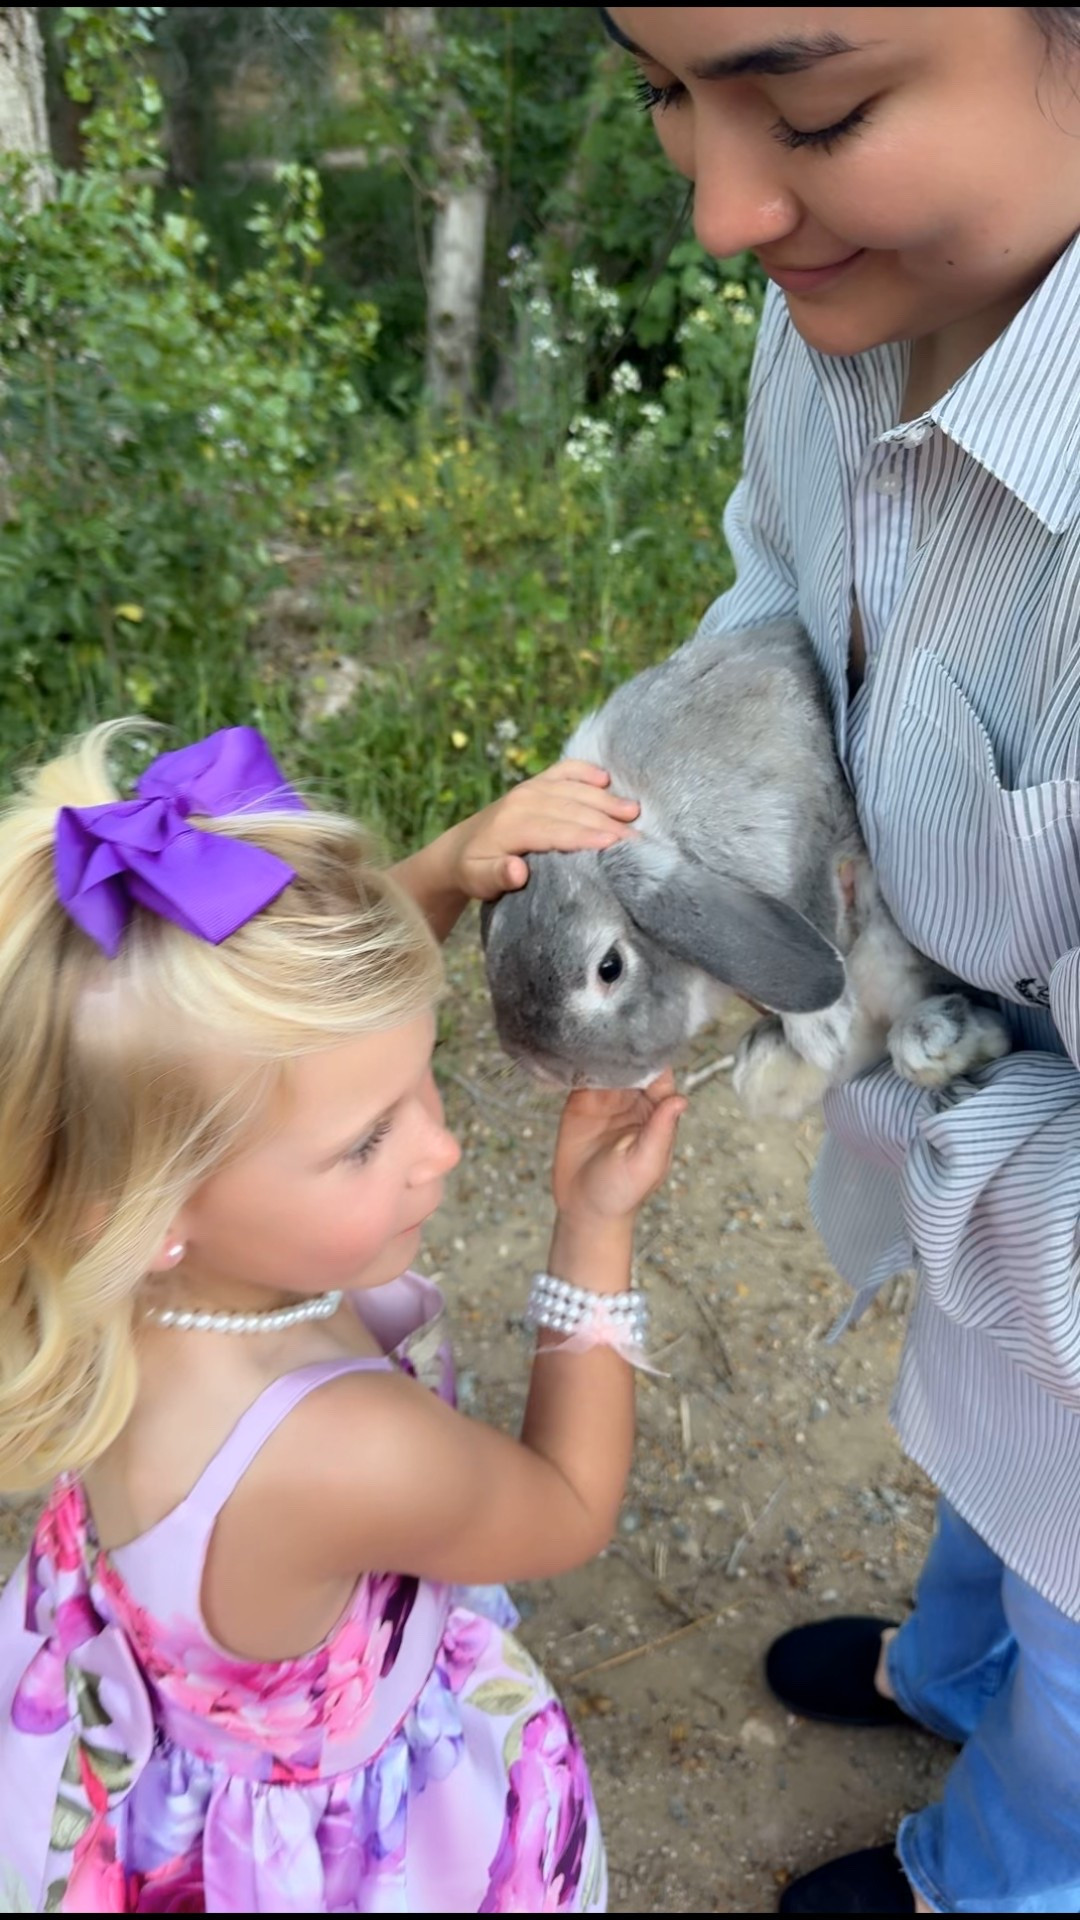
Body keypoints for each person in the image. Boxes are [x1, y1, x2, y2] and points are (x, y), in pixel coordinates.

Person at [602, 6, 1080, 1914]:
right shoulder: (842, 312)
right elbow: (778, 597)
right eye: (660, 90)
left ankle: (1007, 1866)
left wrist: (874, 1045)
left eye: (816, 107)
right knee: (985, 1449)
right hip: (990, 1231)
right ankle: (949, 1664)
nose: (724, 206)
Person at [0, 720, 686, 1913]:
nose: (443, 1144)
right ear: (159, 1208)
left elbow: (286, 1065)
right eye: (370, 1139)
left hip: (147, 1727)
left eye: (422, 1073)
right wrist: (594, 1227)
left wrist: (436, 873)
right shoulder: (339, 1451)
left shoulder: (106, 1258)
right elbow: (567, 1508)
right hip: (328, 1840)